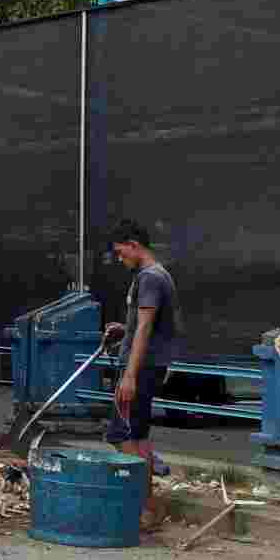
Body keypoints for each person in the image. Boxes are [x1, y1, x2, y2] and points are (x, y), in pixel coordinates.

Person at [102, 218, 179, 533]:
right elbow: (144, 323)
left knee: (122, 435)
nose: (121, 260)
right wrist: (125, 328)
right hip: (148, 364)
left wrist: (129, 375)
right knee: (138, 436)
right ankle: (145, 508)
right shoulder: (158, 276)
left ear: (135, 245)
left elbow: (147, 328)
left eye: (122, 253)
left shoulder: (149, 278)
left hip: (142, 367)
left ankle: (142, 508)